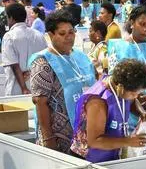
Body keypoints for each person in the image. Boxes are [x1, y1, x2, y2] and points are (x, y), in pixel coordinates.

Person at [28, 11, 96, 154]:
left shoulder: (80, 56)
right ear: (51, 35)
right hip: (58, 138)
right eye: (62, 33)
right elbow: (40, 103)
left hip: (85, 135)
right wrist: (48, 139)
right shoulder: (42, 62)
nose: (68, 37)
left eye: (71, 32)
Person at [71, 59, 146, 162]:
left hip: (111, 155)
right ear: (120, 88)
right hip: (90, 160)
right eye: (133, 93)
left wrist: (141, 112)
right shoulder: (98, 102)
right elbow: (95, 141)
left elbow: (132, 100)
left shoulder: (118, 85)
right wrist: (128, 141)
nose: (136, 96)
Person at [0, 3, 48, 95]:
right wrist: (30, 71)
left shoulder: (9, 36)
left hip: (17, 88)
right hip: (39, 86)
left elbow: (14, 65)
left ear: (11, 18)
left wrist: (24, 88)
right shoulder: (39, 35)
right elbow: (46, 59)